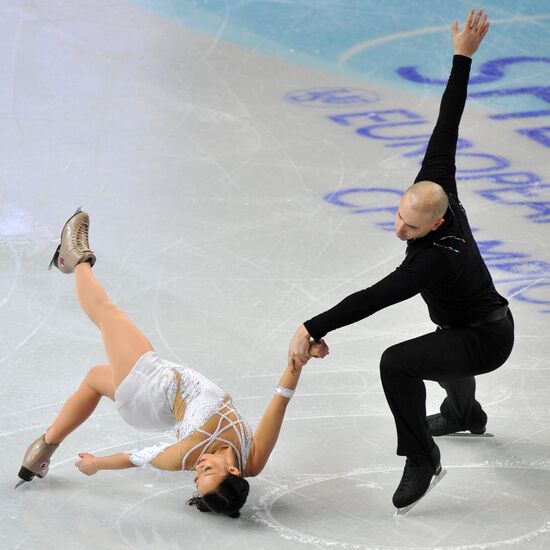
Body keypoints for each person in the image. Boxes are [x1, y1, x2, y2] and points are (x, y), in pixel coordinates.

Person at [288, 9, 514, 512]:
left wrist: (312, 325)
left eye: (410, 228)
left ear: (436, 225)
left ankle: (422, 456)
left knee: (400, 363)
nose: (399, 229)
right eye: (397, 215)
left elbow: (377, 297)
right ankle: (463, 414)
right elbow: (448, 119)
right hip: (468, 322)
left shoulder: (436, 259)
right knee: (445, 334)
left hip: (489, 339)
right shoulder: (438, 182)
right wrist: (462, 56)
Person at [16, 208, 328, 519]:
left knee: (108, 315)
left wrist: (95, 464)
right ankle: (44, 448)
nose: (197, 470)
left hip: (151, 388)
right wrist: (299, 359)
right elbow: (281, 401)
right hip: (152, 408)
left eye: (197, 479)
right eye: (207, 474)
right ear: (234, 470)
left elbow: (136, 457)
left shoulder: (184, 455)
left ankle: (75, 258)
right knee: (96, 379)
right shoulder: (254, 459)